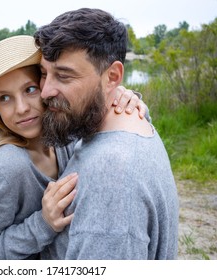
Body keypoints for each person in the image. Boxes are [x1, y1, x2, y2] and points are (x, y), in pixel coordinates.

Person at [0, 35, 146, 260]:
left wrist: (125, 98)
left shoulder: (62, 137)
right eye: (5, 98)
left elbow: (102, 117)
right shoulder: (6, 168)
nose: (21, 108)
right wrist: (42, 224)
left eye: (29, 90)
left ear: (47, 86)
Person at [34, 8, 179, 260]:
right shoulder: (113, 123)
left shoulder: (114, 176)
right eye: (43, 74)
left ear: (112, 77)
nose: (45, 91)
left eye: (64, 76)